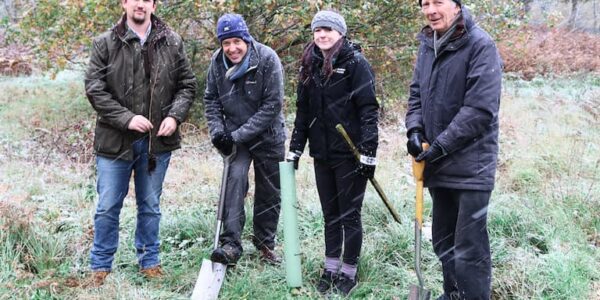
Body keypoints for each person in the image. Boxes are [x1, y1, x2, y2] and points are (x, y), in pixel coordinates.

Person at [84, 0, 196, 287]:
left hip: (155, 144)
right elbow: (95, 90)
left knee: (150, 205)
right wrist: (126, 118)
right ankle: (100, 265)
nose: (140, 4)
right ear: (124, 3)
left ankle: (149, 261)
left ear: (154, 5)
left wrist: (174, 116)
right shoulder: (105, 43)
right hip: (115, 141)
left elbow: (187, 84)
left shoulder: (172, 41)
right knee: (108, 205)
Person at [405, 0, 502, 299]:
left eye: (438, 2)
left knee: (469, 248)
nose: (430, 10)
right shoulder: (427, 45)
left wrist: (440, 146)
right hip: (437, 165)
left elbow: (480, 110)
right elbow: (416, 94)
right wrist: (414, 129)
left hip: (471, 167)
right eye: (425, 3)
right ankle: (453, 294)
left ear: (457, 6)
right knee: (443, 241)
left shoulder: (480, 46)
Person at [287, 10, 379, 297]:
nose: (322, 35)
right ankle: (330, 268)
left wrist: (368, 153)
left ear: (340, 32)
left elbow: (368, 109)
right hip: (322, 153)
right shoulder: (310, 64)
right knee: (330, 215)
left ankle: (349, 271)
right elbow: (303, 111)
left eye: (328, 29)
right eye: (317, 30)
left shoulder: (355, 63)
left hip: (350, 154)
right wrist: (296, 148)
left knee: (349, 214)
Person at [203, 13, 286, 266]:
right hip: (235, 140)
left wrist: (236, 135)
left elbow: (273, 105)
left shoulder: (267, 59)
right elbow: (211, 99)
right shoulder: (217, 63)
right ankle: (230, 245)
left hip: (268, 136)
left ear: (247, 39)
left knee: (269, 192)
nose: (232, 48)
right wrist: (218, 132)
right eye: (226, 43)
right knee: (234, 184)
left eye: (236, 41)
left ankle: (264, 245)